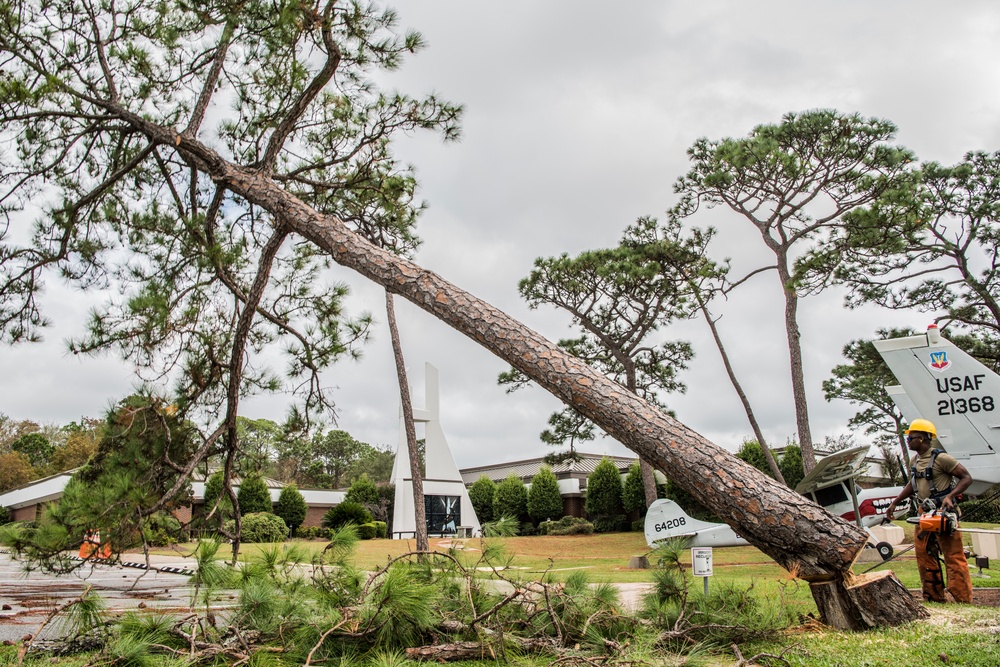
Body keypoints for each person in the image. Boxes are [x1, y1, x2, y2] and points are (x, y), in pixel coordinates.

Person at [885, 418, 973, 603]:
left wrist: (950, 496)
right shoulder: (915, 460)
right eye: (908, 437)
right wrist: (895, 502)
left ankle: (963, 599)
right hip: (924, 514)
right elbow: (914, 483)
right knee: (924, 555)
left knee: (953, 556)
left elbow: (966, 478)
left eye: (912, 437)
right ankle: (933, 597)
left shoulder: (942, 459)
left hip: (943, 514)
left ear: (924, 439)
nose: (908, 441)